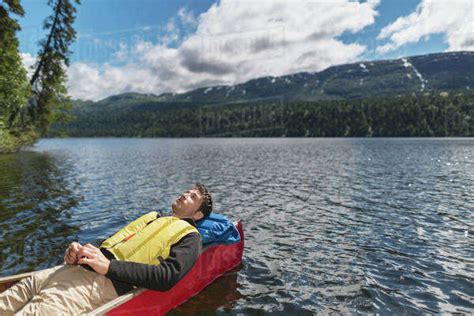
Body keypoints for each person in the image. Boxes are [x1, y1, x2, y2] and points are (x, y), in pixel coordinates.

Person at [0, 183, 213, 315]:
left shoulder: (190, 238)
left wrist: (109, 267)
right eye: (187, 191)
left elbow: (167, 277)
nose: (185, 194)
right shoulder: (153, 218)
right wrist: (77, 252)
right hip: (67, 272)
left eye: (193, 197)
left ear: (197, 215)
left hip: (96, 287)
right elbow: (110, 246)